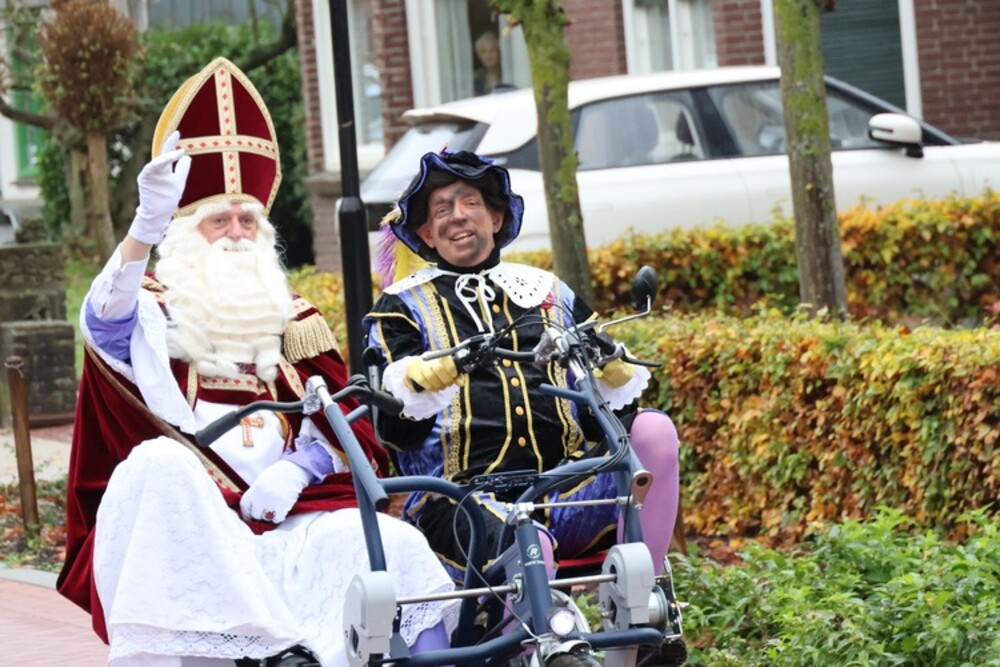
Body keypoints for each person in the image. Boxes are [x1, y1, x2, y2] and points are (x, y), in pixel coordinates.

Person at [57, 58, 456, 667]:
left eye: (249, 220)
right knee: (158, 463)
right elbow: (102, 320)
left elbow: (346, 423)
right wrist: (144, 226)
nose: (238, 232)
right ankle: (275, 652)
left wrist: (299, 468)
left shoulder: (293, 319)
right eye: (219, 220)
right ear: (184, 236)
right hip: (193, 535)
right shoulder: (149, 312)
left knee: (395, 548)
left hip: (288, 522)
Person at [364, 149, 681, 586]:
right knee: (529, 545)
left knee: (653, 431)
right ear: (426, 234)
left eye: (470, 203)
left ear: (496, 218)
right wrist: (422, 380)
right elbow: (393, 433)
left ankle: (643, 598)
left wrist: (611, 372)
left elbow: (603, 421)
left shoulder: (548, 291)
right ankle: (541, 630)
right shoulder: (400, 306)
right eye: (441, 210)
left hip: (563, 495)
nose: (458, 216)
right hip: (461, 505)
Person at [472, 31, 501, 96]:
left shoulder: (507, 74)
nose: (488, 55)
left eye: (492, 50)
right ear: (479, 55)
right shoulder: (476, 79)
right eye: (484, 52)